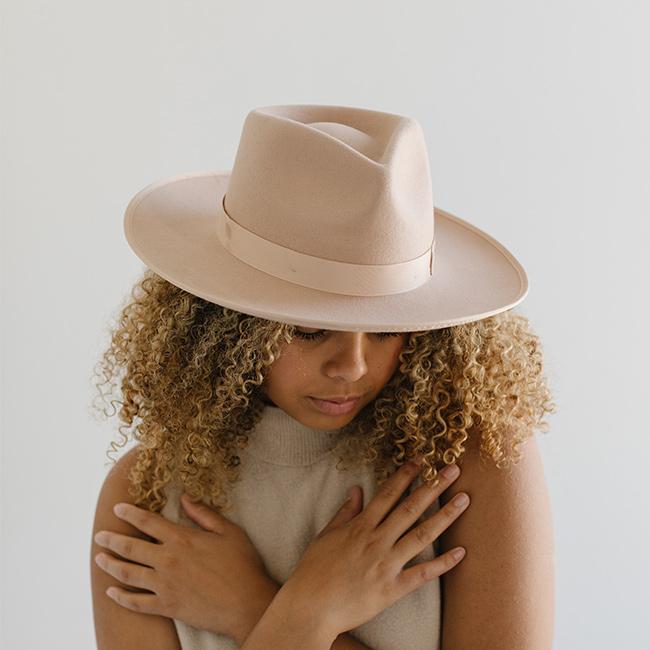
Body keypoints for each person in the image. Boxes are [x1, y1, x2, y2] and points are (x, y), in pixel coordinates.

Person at [90, 104, 557, 649]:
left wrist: (263, 609)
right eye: (309, 331)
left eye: (386, 330)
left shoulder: (466, 458)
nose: (352, 366)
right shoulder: (147, 494)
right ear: (225, 324)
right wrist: (305, 612)